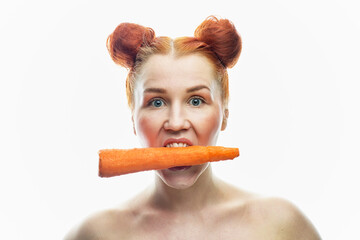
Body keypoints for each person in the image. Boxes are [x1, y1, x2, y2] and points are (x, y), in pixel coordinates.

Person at [65, 16, 321, 239]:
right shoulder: (96, 234)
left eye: (196, 101)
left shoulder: (281, 226)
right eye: (156, 102)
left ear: (225, 115)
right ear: (133, 119)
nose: (176, 123)